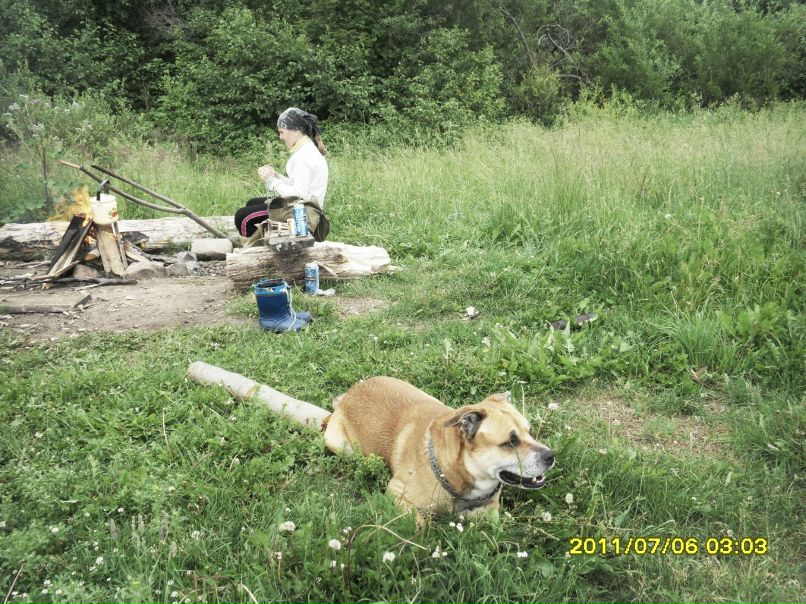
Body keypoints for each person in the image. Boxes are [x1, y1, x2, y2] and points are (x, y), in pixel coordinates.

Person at [235, 107, 330, 240]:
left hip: (304, 216)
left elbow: (298, 195)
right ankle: (262, 244)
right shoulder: (305, 150)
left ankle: (254, 253)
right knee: (251, 203)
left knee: (243, 217)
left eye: (282, 132)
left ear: (296, 131)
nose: (280, 137)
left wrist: (271, 181)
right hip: (302, 208)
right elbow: (298, 184)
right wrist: (276, 176)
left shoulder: (305, 156)